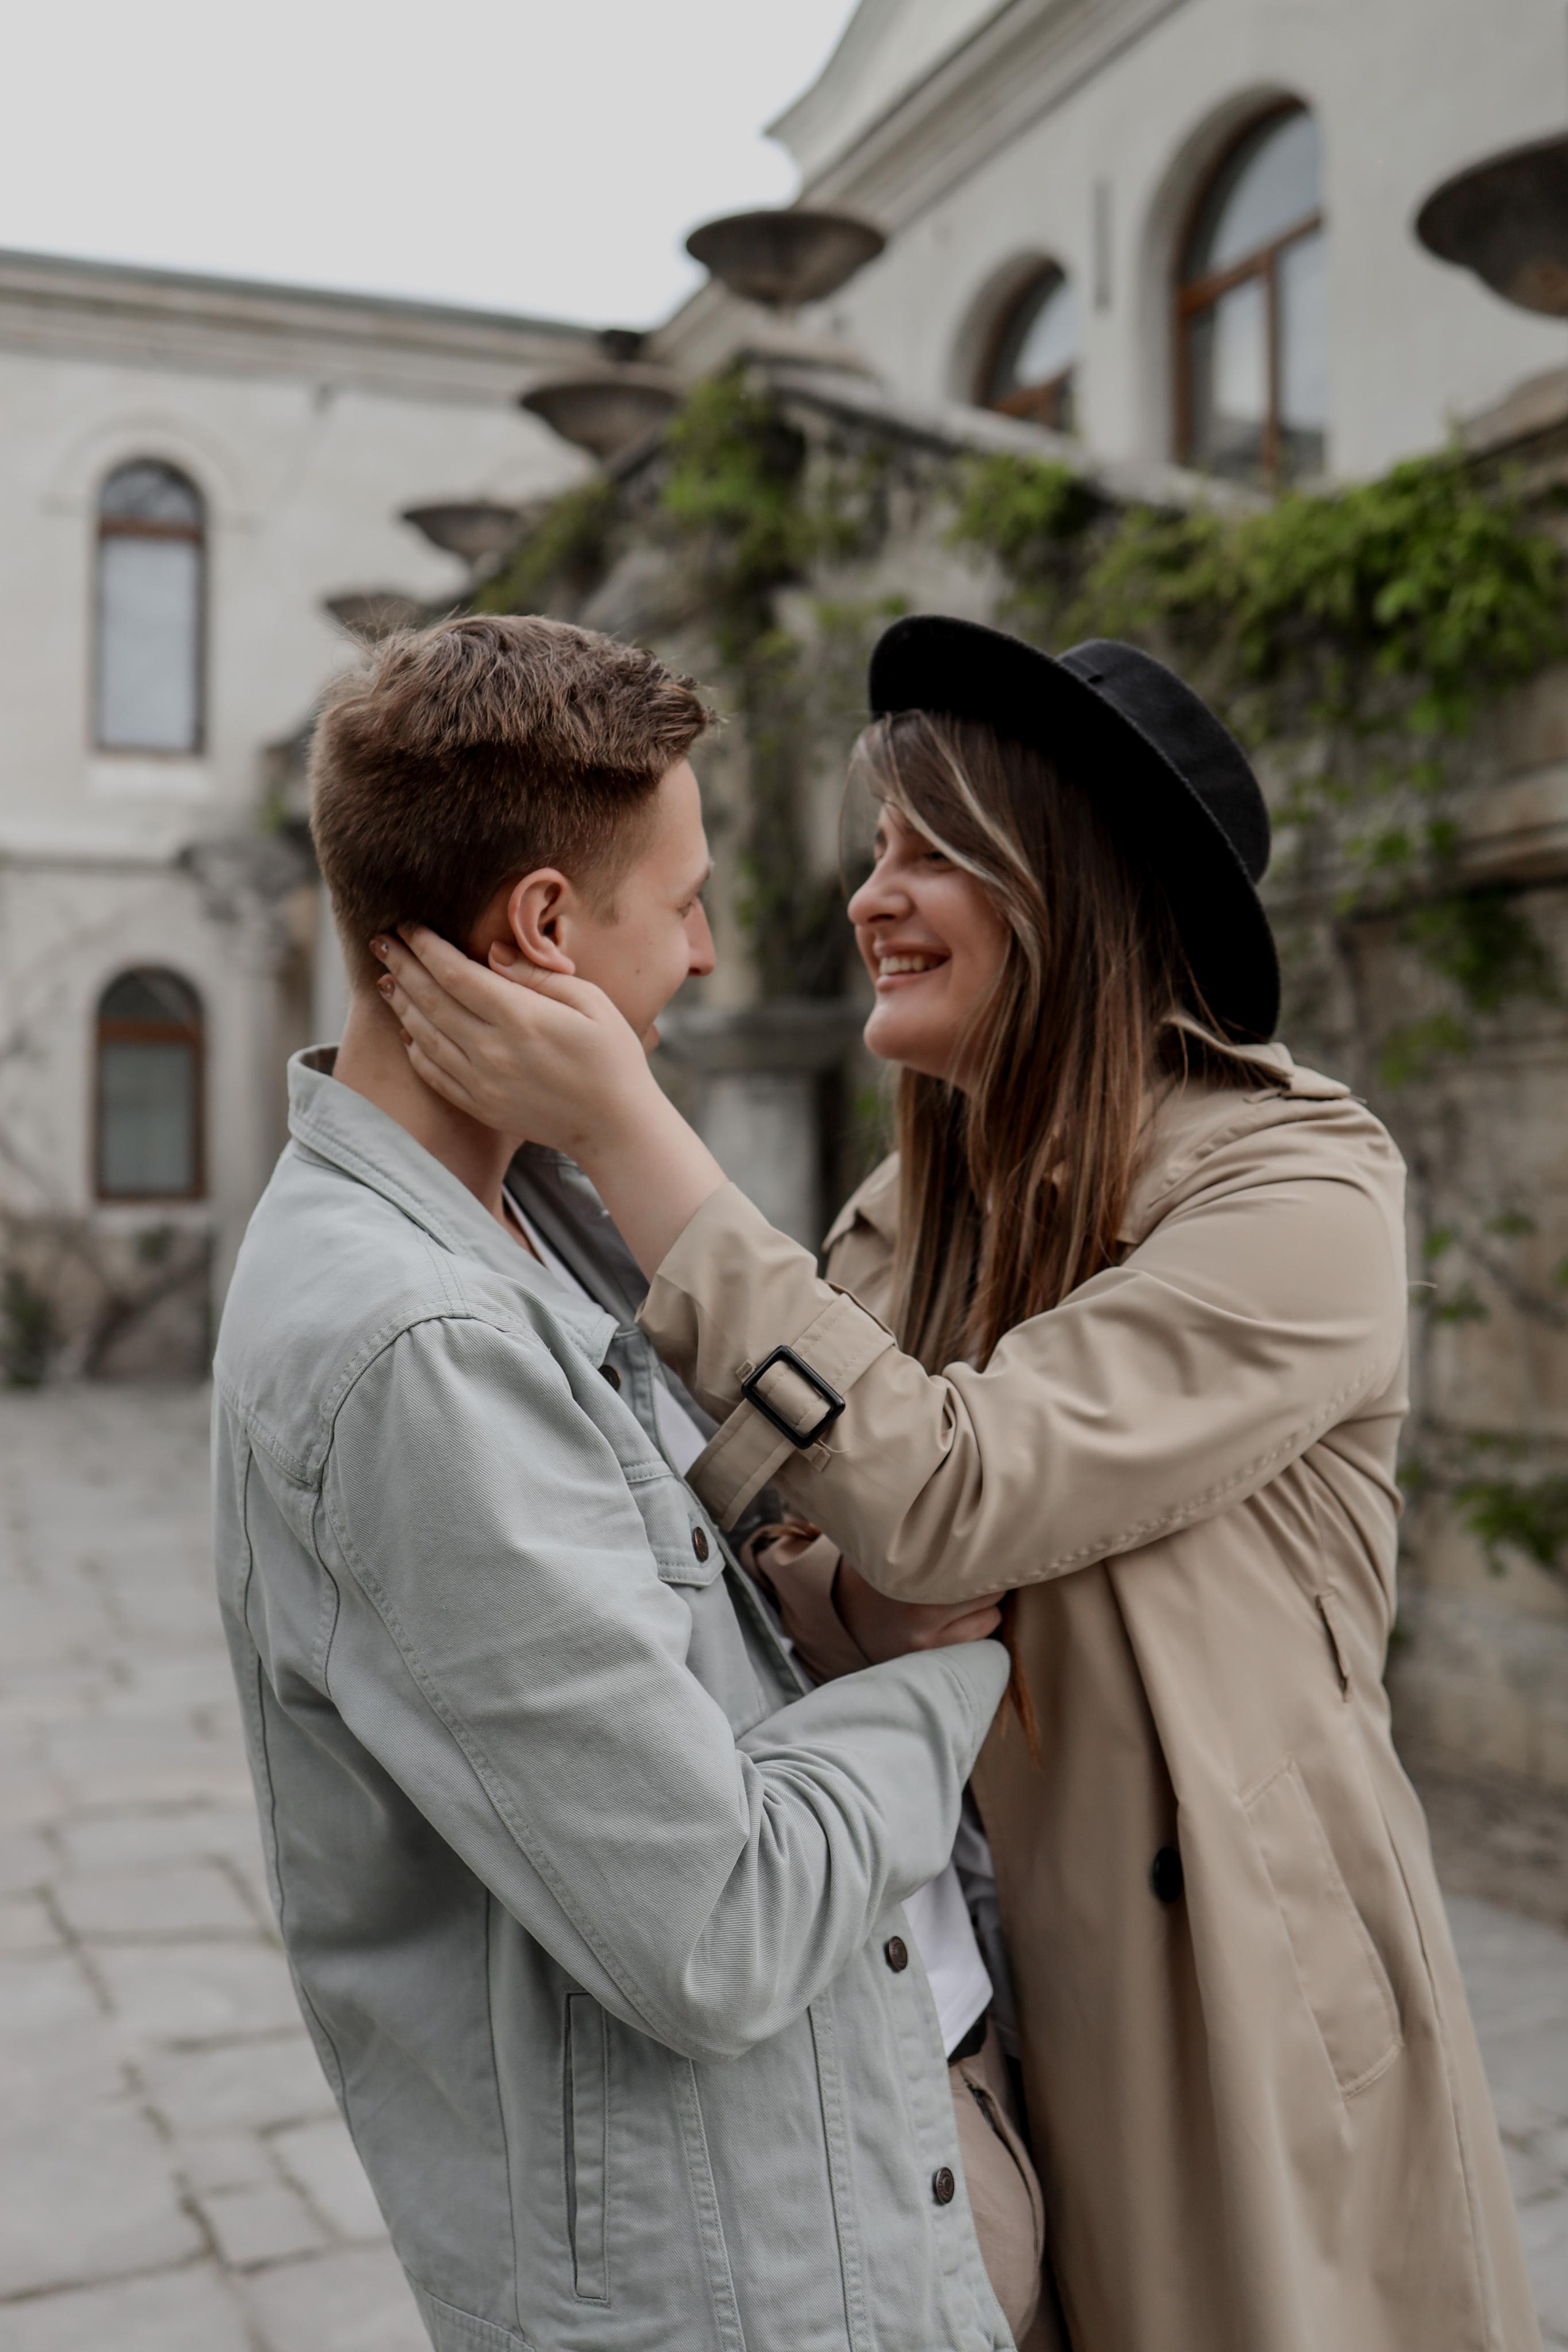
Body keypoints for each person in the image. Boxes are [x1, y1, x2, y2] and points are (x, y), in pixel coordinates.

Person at [375, 613, 1544, 2352]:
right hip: (953, 1995)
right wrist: (849, 1601)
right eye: (876, 849)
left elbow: (952, 1494)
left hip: (1221, 2009)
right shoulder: (907, 1210)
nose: (870, 897)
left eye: (933, 853)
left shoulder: (1300, 1190)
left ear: (1072, 893)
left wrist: (627, 1130)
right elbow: (756, 1565)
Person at [211, 613, 1050, 2352]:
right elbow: (719, 1923)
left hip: (820, 2202)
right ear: (543, 929)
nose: (710, 951)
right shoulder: (417, 1341)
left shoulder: (542, 1222)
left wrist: (830, 1601)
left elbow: (682, 1653)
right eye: (681, 903)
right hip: (733, 2295)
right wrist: (946, 1668)